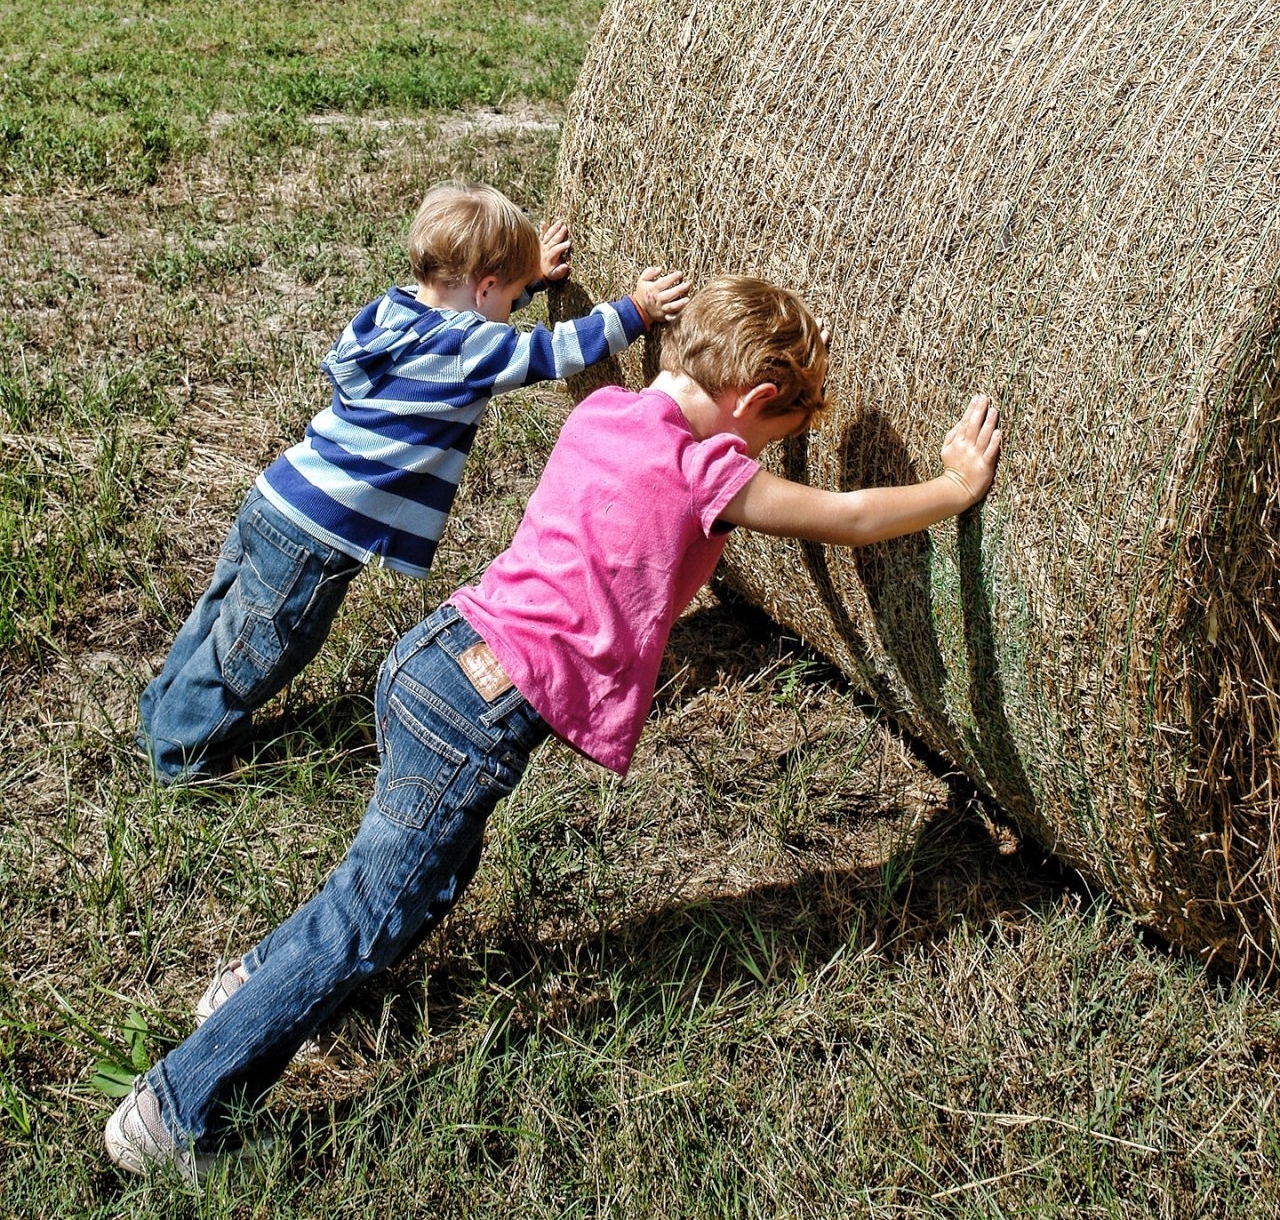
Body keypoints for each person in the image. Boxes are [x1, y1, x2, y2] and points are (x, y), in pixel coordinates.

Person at [106, 276, 1001, 1181]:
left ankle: (255, 982)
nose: (767, 458)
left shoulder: (607, 410)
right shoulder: (704, 471)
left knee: (421, 886)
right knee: (368, 915)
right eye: (776, 438)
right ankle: (174, 1109)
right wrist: (953, 486)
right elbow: (847, 521)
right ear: (757, 401)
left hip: (435, 659)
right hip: (478, 713)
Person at [137, 181, 688, 785]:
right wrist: (634, 310)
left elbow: (471, 325)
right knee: (259, 648)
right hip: (319, 532)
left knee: (218, 617)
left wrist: (525, 281)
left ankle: (162, 712)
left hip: (280, 494)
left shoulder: (394, 310)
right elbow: (552, 352)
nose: (511, 311)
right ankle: (185, 758)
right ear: (482, 289)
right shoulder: (467, 346)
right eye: (506, 296)